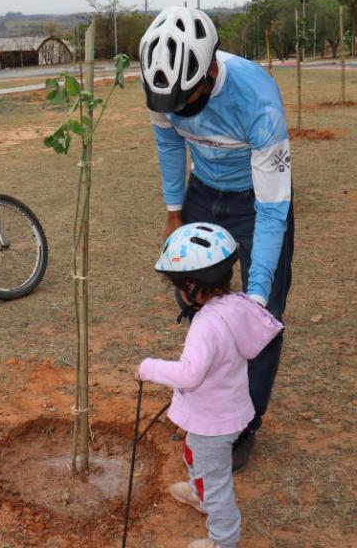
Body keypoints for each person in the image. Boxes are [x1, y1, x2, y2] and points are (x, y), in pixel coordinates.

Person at [139, 6, 294, 471]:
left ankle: (244, 424)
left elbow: (272, 211)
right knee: (197, 300)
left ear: (209, 70)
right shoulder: (162, 88)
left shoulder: (258, 103)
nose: (180, 111)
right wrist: (174, 213)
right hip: (203, 194)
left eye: (189, 99)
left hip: (256, 201)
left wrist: (258, 293)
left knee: (259, 318)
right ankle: (203, 411)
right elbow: (169, 145)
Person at [136, 223, 283, 548]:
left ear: (191, 285)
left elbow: (189, 375)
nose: (176, 291)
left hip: (213, 424)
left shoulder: (205, 324)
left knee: (217, 485)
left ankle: (223, 540)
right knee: (193, 454)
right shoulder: (235, 304)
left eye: (177, 285)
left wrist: (148, 367)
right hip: (227, 411)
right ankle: (199, 491)